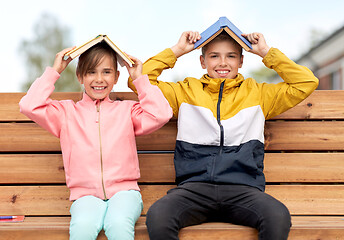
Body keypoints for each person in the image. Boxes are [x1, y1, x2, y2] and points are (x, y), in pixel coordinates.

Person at [128, 31, 319, 240]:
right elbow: (139, 80)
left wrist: (266, 53)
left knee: (277, 216)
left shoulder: (260, 95)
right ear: (202, 61)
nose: (223, 62)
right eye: (214, 56)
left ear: (241, 61)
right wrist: (177, 51)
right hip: (193, 190)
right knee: (159, 217)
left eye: (231, 56)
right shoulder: (184, 92)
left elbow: (306, 82)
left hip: (243, 190)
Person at [19, 41, 172, 240]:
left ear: (117, 77)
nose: (99, 79)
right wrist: (55, 70)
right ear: (80, 76)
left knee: (117, 224)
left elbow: (161, 114)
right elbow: (29, 106)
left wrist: (139, 79)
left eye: (107, 72)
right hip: (85, 196)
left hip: (125, 193)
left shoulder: (126, 110)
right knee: (82, 227)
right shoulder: (66, 113)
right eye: (91, 72)